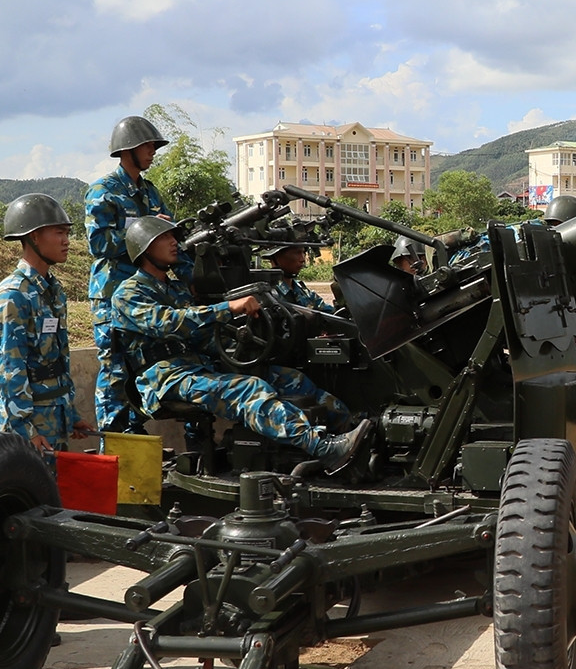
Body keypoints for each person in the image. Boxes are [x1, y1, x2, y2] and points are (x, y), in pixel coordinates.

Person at [111, 216, 370, 469]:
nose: (173, 242)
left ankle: (351, 435)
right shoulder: (129, 293)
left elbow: (207, 335)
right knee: (248, 388)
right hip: (165, 379)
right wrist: (228, 308)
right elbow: (167, 322)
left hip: (202, 367)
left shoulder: (177, 289)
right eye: (164, 237)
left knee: (291, 379)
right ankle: (324, 448)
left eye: (173, 236)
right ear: (144, 248)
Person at [84, 115, 190, 433]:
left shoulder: (150, 192)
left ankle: (135, 439)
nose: (153, 152)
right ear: (127, 149)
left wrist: (190, 280)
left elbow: (170, 241)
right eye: (147, 146)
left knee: (146, 366)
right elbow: (98, 243)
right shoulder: (104, 191)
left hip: (149, 294)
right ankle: (113, 442)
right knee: (116, 371)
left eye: (154, 146)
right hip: (113, 295)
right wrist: (144, 228)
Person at [0, 193, 92, 453]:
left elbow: (56, 361)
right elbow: (9, 369)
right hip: (26, 432)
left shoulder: (52, 291)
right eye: (59, 233)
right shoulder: (13, 296)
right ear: (34, 237)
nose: (66, 241)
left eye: (67, 233)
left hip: (54, 420)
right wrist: (26, 431)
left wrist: (70, 414)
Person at [265, 220, 334, 310]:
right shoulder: (267, 293)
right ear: (276, 256)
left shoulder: (302, 290)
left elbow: (328, 311)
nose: (302, 259)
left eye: (303, 253)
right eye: (296, 253)